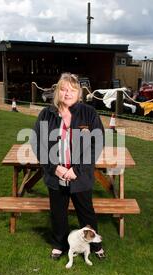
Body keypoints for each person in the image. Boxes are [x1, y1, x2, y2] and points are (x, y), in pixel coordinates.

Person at [31, 73, 106, 260]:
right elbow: (37, 143)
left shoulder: (89, 113)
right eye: (63, 89)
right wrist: (55, 168)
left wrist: (77, 170)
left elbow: (97, 143)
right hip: (55, 174)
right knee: (58, 212)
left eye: (72, 90)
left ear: (78, 93)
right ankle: (59, 244)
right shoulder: (46, 114)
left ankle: (95, 245)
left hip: (80, 176)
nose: (67, 93)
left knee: (86, 212)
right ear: (57, 91)